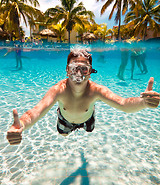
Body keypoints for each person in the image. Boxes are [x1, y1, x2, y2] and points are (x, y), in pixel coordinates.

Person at [7, 49, 160, 145]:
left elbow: (124, 104)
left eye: (84, 69)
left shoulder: (96, 90)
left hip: (88, 118)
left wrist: (143, 102)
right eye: (74, 69)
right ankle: (69, 128)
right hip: (64, 119)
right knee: (64, 135)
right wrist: (21, 125)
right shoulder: (58, 90)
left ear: (90, 71)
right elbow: (36, 111)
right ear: (67, 70)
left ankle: (85, 122)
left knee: (89, 130)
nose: (79, 74)